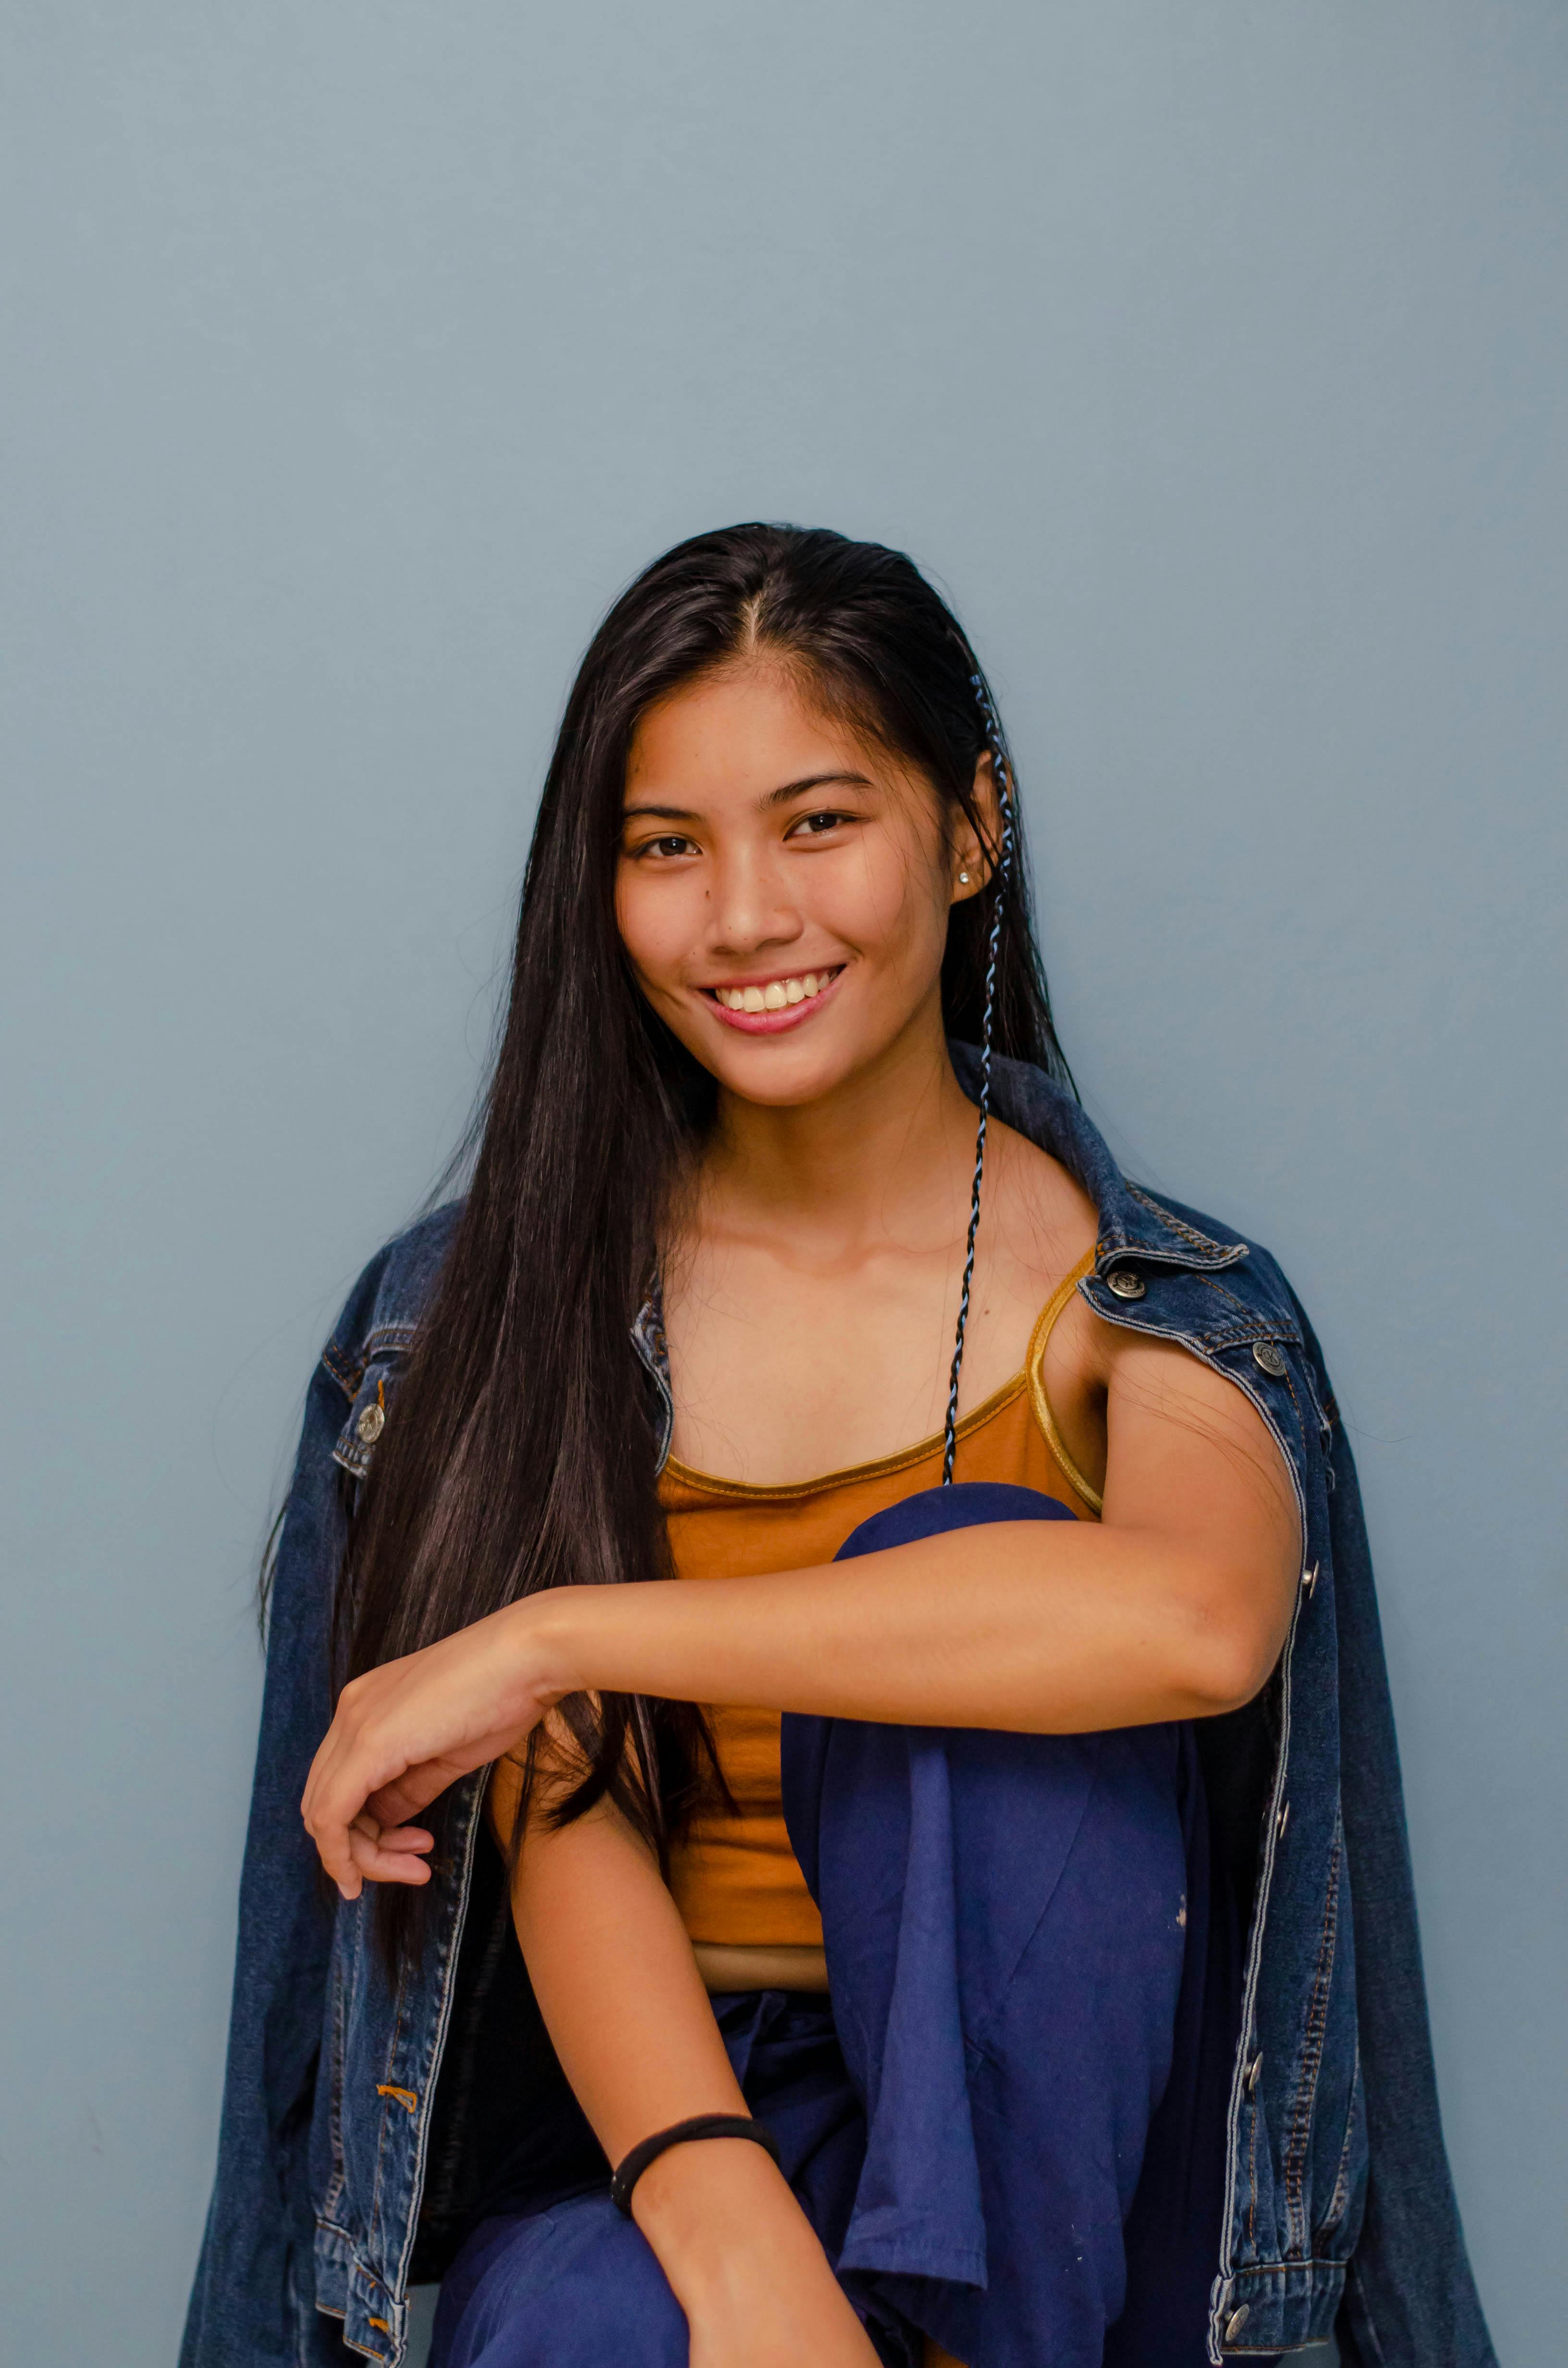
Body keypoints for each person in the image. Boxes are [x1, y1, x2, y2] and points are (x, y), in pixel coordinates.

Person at [183, 527, 1495, 2368]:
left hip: (1093, 2158)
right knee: (582, 2328)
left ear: (970, 832)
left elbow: (1197, 1623)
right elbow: (557, 1823)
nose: (741, 918)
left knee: (946, 1588)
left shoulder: (1168, 1302)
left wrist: (556, 1632)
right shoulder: (474, 1316)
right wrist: (739, 2252)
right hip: (665, 2116)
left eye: (818, 823)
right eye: (667, 848)